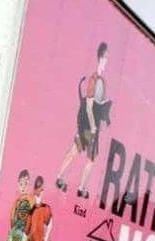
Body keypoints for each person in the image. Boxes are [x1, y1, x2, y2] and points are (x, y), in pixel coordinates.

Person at [56, 42, 110, 199]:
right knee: (82, 154)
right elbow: (88, 107)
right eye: (106, 57)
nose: (107, 60)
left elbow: (98, 106)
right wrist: (93, 127)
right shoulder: (94, 80)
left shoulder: (102, 81)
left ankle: (72, 183)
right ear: (100, 58)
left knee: (86, 156)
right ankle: (68, 181)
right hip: (89, 127)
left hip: (92, 127)